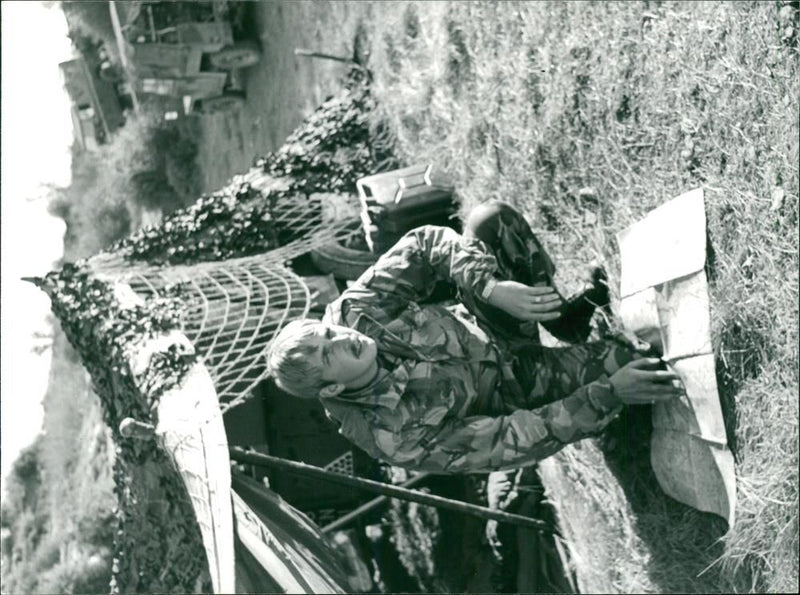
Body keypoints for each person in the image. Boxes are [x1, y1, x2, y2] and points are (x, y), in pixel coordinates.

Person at [266, 201, 680, 473]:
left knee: (491, 221)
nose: (342, 339)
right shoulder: (392, 436)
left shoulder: (357, 312)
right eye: (327, 356)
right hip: (519, 388)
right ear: (334, 386)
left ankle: (565, 322)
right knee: (634, 363)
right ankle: (603, 407)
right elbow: (510, 441)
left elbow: (425, 245)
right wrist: (606, 395)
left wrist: (491, 290)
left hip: (488, 321)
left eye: (326, 333)